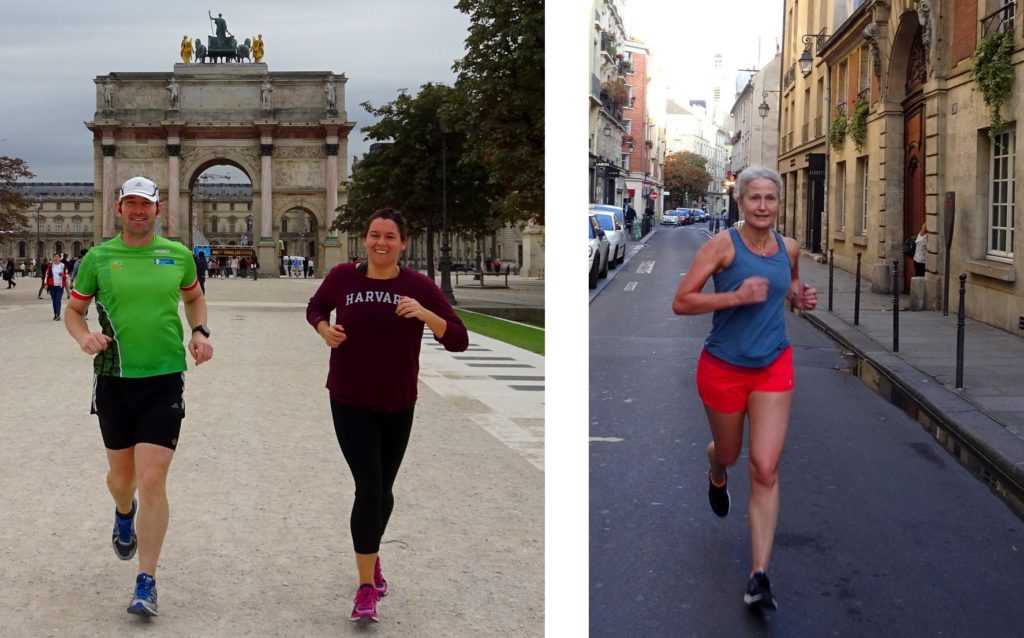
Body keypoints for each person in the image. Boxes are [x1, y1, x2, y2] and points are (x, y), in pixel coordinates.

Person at [306, 208, 468, 623]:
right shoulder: (343, 276)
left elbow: (459, 340)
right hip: (348, 398)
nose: (381, 243)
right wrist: (324, 329)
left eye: (390, 236)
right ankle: (365, 588)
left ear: (403, 243)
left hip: (398, 401)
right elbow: (315, 308)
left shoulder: (417, 285)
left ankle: (370, 555)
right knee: (369, 487)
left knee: (385, 490)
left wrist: (426, 313)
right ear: (365, 239)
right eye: (375, 235)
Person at [64, 176, 213, 619]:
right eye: (130, 203)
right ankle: (122, 512)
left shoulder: (179, 255)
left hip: (165, 378)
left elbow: (195, 298)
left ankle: (146, 580)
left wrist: (200, 331)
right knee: (122, 480)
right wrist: (83, 337)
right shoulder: (97, 257)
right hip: (114, 378)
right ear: (118, 209)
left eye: (145, 204)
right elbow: (74, 311)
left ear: (158, 210)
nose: (138, 211)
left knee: (153, 480)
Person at [671, 166, 817, 612]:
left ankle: (759, 575)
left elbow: (788, 280)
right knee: (731, 454)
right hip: (723, 367)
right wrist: (735, 296)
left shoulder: (788, 247)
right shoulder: (722, 246)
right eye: (754, 198)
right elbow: (682, 301)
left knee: (765, 467)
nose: (762, 206)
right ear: (741, 202)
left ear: (779, 203)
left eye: (770, 199)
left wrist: (797, 296)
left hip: (774, 365)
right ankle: (716, 471)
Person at [45, 253, 68, 319]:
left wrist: (63, 275)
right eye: (55, 257)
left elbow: (67, 275)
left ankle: (58, 314)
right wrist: (46, 284)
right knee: (54, 300)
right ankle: (55, 314)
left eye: (57, 257)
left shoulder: (63, 266)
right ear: (53, 258)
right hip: (52, 286)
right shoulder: (50, 266)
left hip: (60, 286)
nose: (56, 258)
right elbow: (46, 275)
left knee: (58, 300)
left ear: (60, 258)